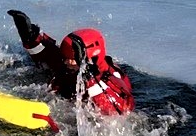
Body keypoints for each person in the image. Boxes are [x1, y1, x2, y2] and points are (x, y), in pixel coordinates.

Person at [7, 9, 135, 116]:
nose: (67, 62)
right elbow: (50, 56)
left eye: (73, 58)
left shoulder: (113, 82)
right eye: (65, 56)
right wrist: (30, 37)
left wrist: (89, 78)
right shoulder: (69, 65)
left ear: (90, 58)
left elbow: (116, 112)